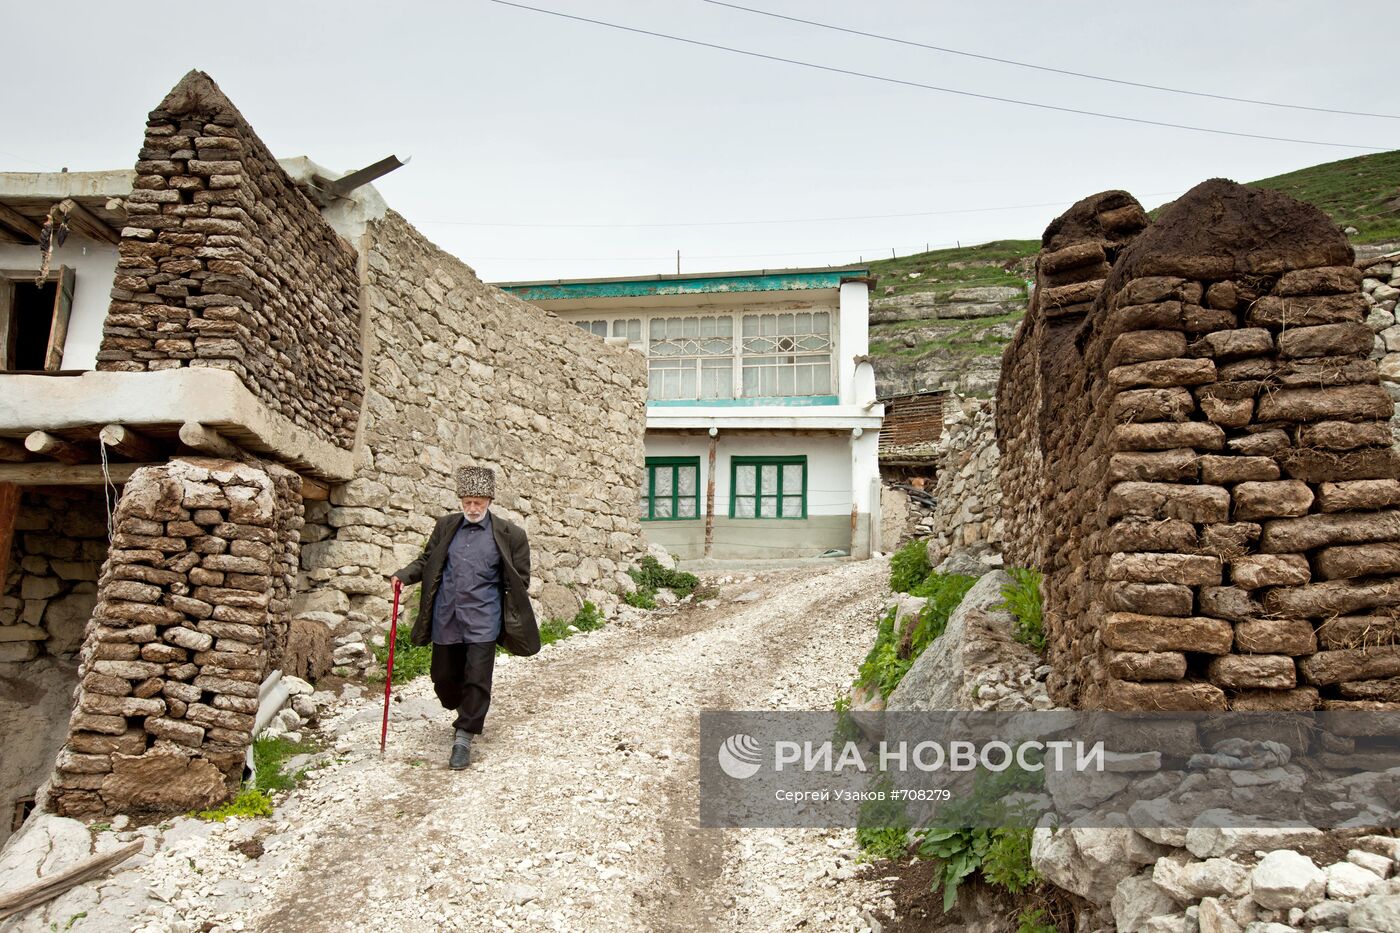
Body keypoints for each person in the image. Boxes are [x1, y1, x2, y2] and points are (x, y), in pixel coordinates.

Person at [390, 465, 540, 769]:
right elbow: (427, 559)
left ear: (489, 501)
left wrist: (505, 609)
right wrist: (404, 575)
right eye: (467, 501)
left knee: (478, 679)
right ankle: (461, 706)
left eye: (478, 502)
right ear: (461, 500)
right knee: (443, 679)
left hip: (484, 618)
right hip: (447, 615)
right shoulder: (446, 526)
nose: (472, 508)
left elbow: (519, 579)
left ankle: (464, 734)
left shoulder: (511, 535)